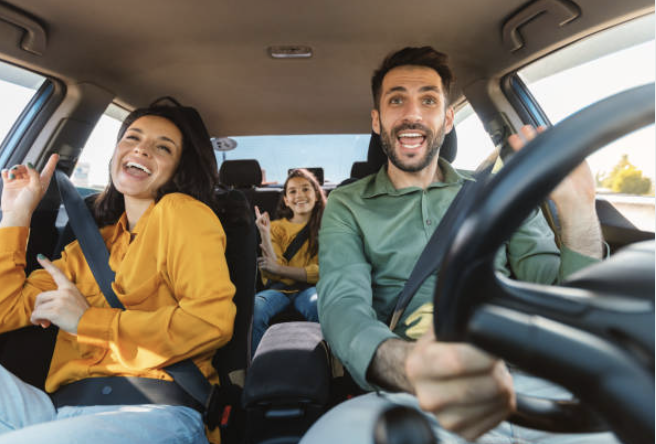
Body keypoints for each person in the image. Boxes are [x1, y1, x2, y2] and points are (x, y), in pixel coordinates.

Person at [302, 47, 617, 443]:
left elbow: (560, 300)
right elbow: (342, 307)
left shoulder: (499, 191)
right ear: (377, 120)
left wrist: (578, 213)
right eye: (396, 99)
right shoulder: (348, 204)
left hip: (528, 382)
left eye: (429, 100)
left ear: (448, 119)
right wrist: (413, 366)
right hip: (412, 392)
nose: (412, 114)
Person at [0, 101, 236, 444]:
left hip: (152, 409)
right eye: (132, 138)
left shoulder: (182, 214)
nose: (141, 148)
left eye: (162, 147)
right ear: (116, 153)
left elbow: (210, 322)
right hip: (57, 411)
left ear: (178, 169)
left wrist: (87, 322)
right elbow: (5, 310)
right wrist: (16, 214)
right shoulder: (84, 250)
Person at [251, 168, 326, 354]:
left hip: (310, 291)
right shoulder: (275, 228)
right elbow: (270, 273)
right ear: (286, 200)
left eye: (305, 189)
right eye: (292, 191)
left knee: (320, 306)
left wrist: (281, 270)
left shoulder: (328, 226)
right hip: (278, 292)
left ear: (316, 195)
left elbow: (325, 271)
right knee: (255, 309)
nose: (299, 195)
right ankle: (257, 369)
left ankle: (328, 366)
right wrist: (265, 235)